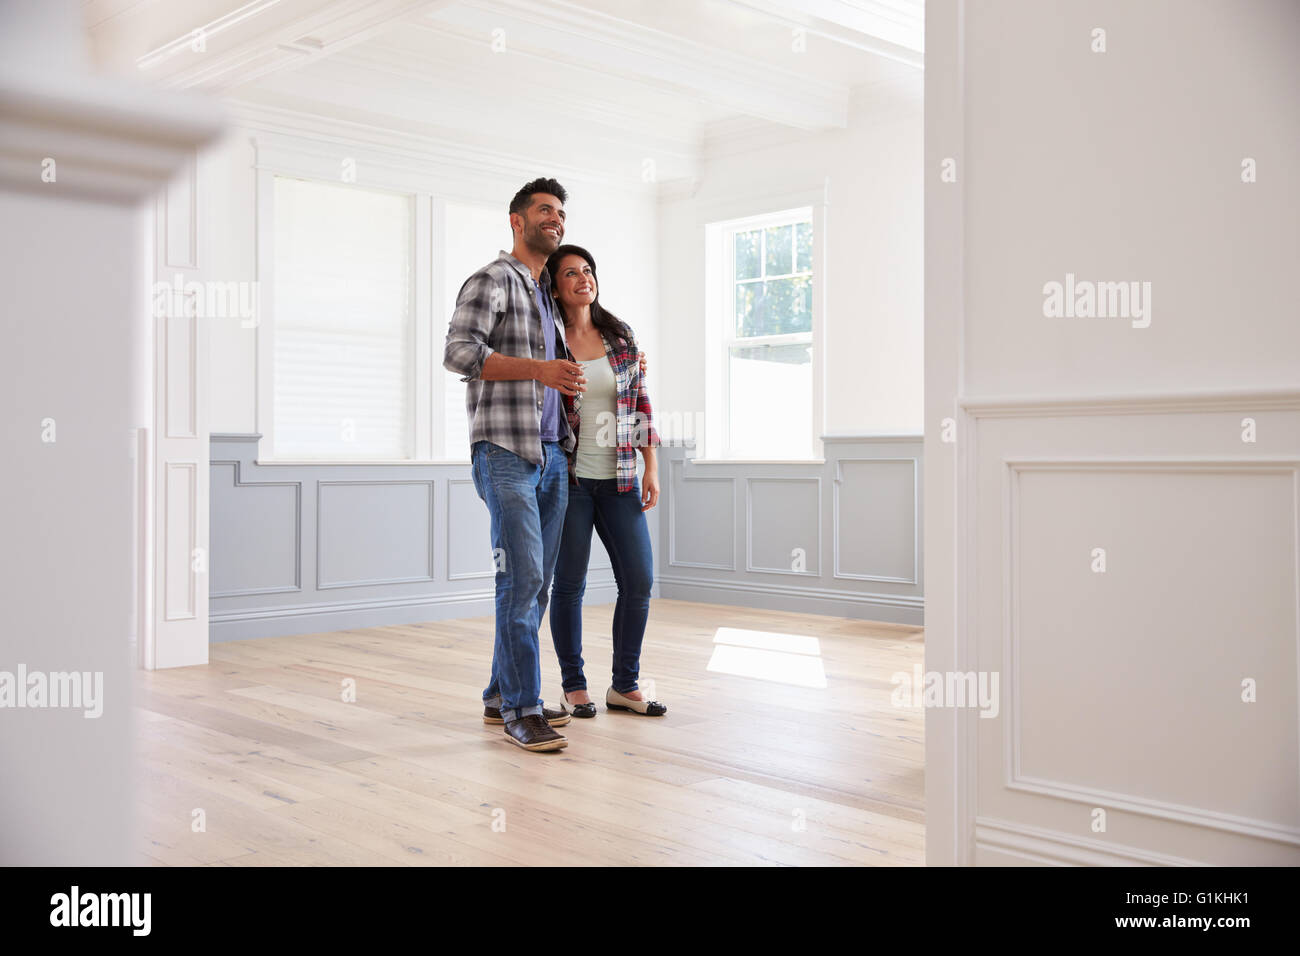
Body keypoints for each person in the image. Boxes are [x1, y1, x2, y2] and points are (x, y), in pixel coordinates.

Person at [442, 177, 587, 753]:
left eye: (561, 214)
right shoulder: (492, 279)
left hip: (552, 455)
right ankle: (523, 711)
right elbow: (458, 353)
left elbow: (574, 349)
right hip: (505, 452)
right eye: (545, 211)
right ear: (516, 220)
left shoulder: (546, 295)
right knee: (520, 579)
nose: (556, 219)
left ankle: (502, 693)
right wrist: (538, 369)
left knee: (538, 584)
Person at [545, 244, 667, 719]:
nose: (583, 279)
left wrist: (650, 464)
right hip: (570, 480)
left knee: (638, 580)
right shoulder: (549, 340)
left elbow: (640, 401)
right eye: (571, 273)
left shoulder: (620, 336)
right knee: (569, 585)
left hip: (619, 479)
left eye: (588, 271)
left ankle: (625, 685)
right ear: (555, 286)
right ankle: (573, 687)